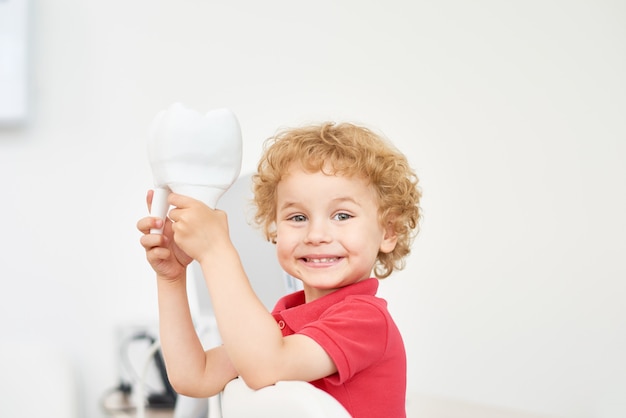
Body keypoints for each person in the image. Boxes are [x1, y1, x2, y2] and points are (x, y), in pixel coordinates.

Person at [137, 121, 421, 418]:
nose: (316, 234)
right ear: (274, 228)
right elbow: (195, 375)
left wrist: (216, 251)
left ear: (388, 232)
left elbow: (267, 367)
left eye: (342, 215)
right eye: (297, 217)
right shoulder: (281, 325)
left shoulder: (366, 320)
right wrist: (171, 277)